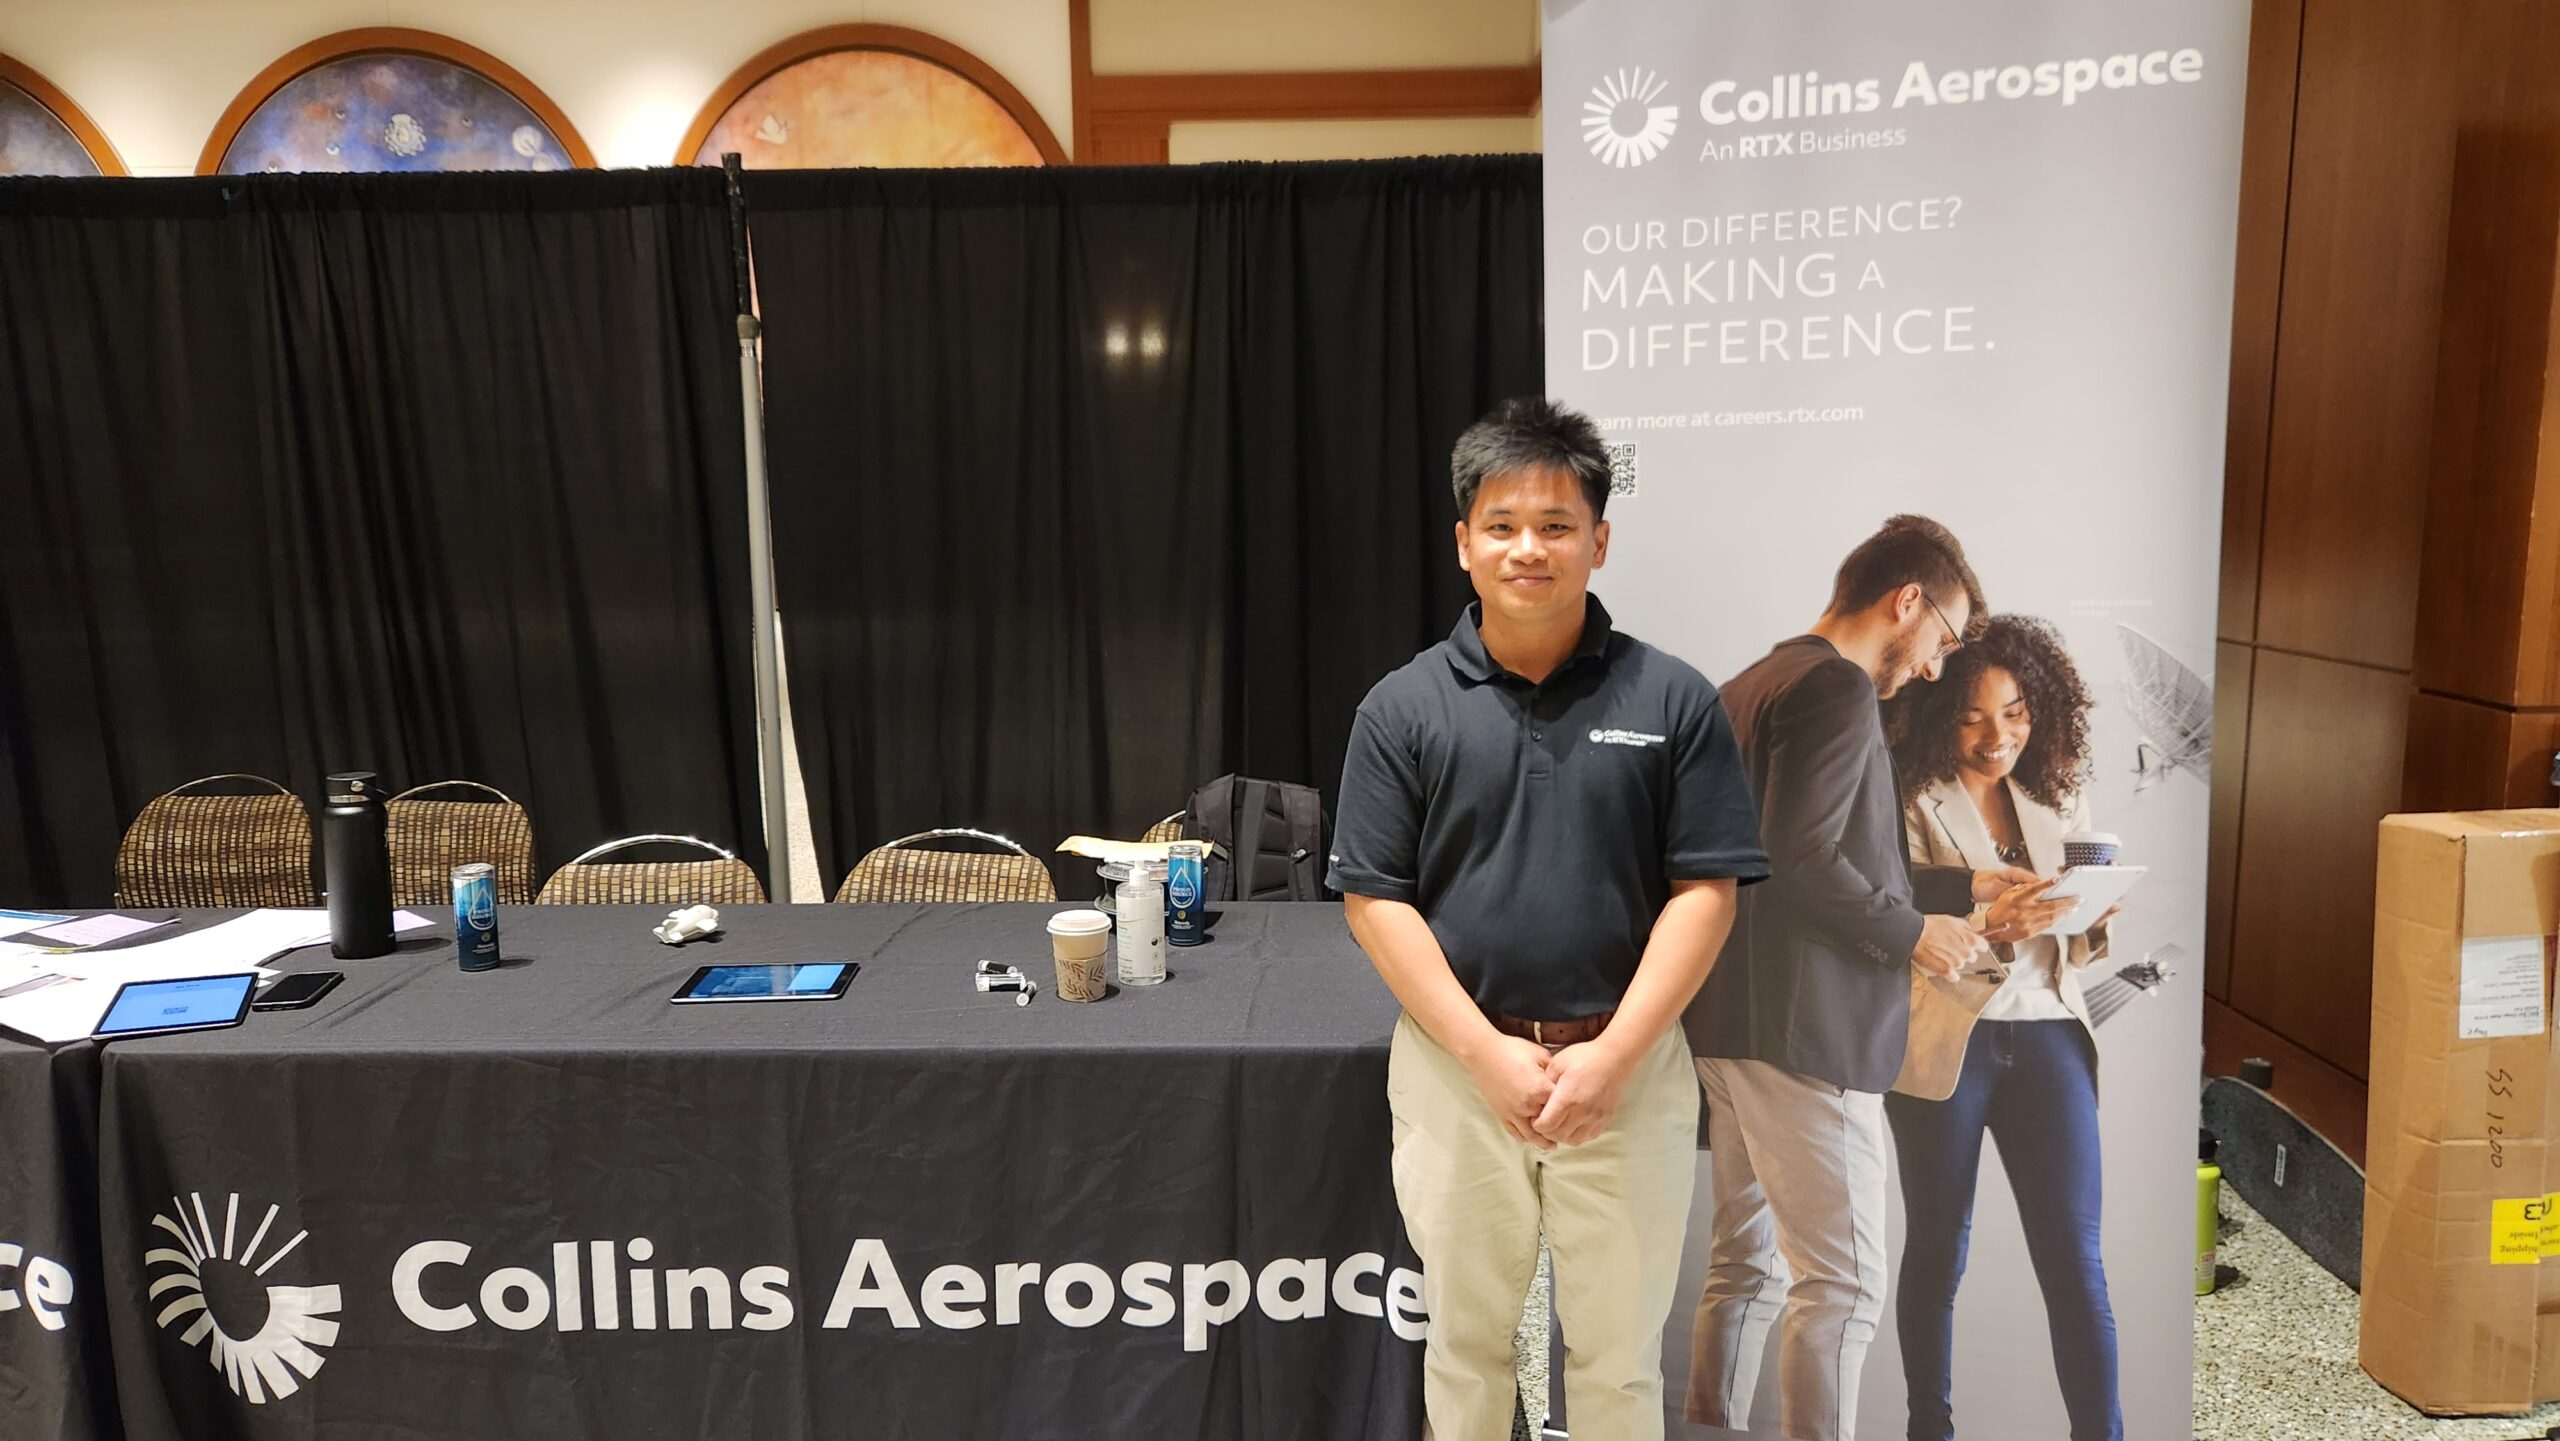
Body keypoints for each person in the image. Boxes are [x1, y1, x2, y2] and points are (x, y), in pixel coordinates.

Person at [1329, 396, 1770, 1440]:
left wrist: (1613, 1054)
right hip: (1454, 1073)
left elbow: (1704, 891)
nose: (1529, 547)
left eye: (1557, 524)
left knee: (1616, 1363)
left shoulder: (1673, 699)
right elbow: (1374, 900)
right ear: (1463, 543)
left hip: (1627, 1071)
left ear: (1599, 541)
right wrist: (1486, 1053)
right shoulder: (1401, 709)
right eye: (1502, 524)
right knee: (1466, 1348)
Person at [1682, 516, 2067, 1441]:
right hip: (1807, 1032)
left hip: (1731, 1024)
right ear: (1908, 601)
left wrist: (1964, 885)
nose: (1936, 667)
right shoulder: (1837, 691)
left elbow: (1827, 854)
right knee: (1844, 1285)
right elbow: (1801, 857)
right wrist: (1916, 936)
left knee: (1749, 1266)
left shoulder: (1753, 683)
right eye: (1943, 636)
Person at [1880, 614, 2123, 1441]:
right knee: (1938, 1249)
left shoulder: (2056, 788)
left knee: (2075, 1262)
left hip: (2049, 1031)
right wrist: (1992, 923)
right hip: (1949, 1036)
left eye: (2016, 712)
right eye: (1974, 715)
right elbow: (1887, 912)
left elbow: (2082, 940)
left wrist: (2093, 912)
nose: (1998, 736)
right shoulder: (1908, 793)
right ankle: (1929, 1430)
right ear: (1938, 713)